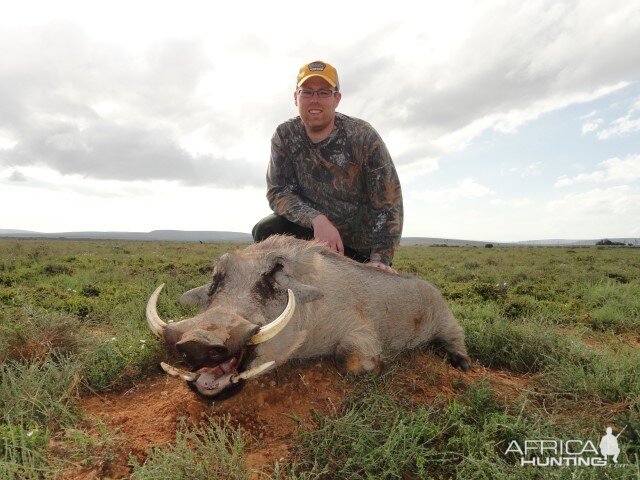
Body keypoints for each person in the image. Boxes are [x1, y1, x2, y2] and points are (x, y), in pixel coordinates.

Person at [252, 60, 403, 273]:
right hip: (313, 239)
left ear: (337, 99)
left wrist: (380, 259)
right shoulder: (284, 136)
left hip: (357, 250)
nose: (315, 100)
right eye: (307, 92)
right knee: (267, 229)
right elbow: (278, 192)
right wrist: (317, 220)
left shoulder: (363, 136)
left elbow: (388, 202)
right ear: (296, 97)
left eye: (323, 93)